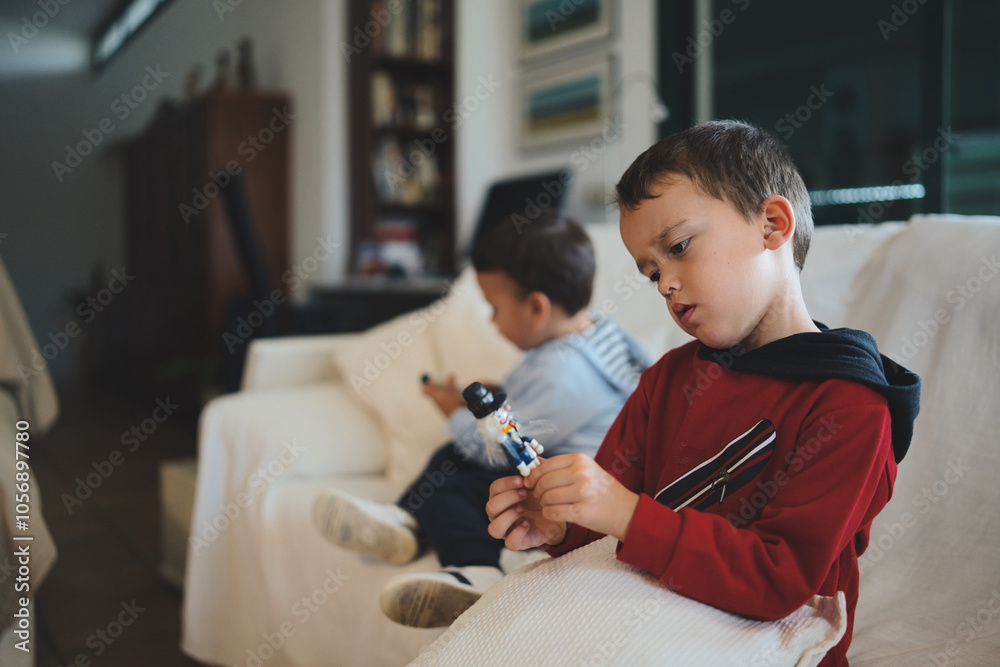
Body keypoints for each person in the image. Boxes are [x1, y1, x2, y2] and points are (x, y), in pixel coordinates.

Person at [486, 120, 921, 667]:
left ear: (772, 224)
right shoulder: (668, 378)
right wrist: (561, 521)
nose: (665, 283)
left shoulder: (851, 406)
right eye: (651, 272)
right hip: (648, 605)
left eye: (679, 247)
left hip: (772, 639)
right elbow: (613, 507)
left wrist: (621, 512)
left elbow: (777, 579)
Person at [312, 210, 651, 628]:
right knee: (452, 459)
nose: (491, 322)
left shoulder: (564, 373)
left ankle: (475, 569)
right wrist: (501, 396)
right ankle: (407, 520)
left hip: (567, 486)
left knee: (456, 477)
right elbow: (540, 407)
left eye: (493, 309)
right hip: (567, 460)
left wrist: (455, 412)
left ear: (536, 308)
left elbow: (494, 447)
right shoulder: (598, 335)